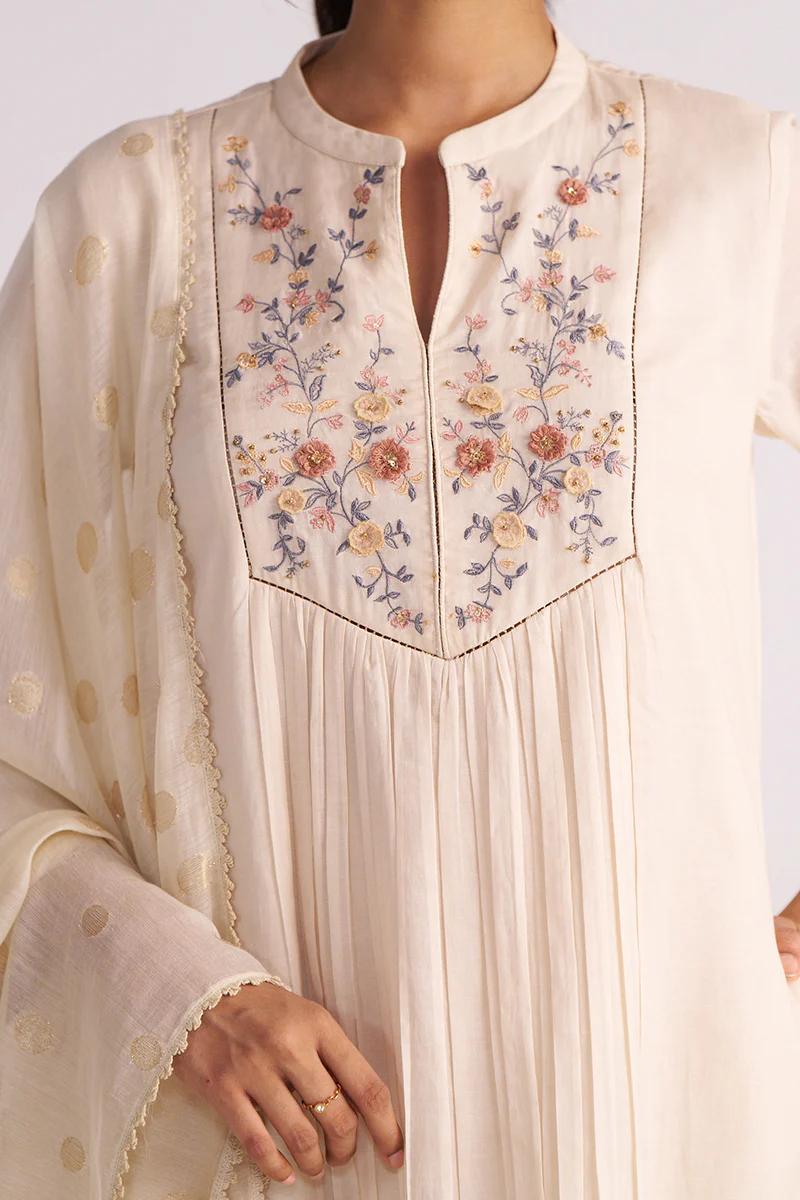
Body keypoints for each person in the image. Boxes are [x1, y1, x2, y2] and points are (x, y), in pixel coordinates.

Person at [2, 0, 800, 1196]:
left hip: (658, 1134)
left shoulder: (736, 179)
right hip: (286, 1155)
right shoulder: (129, 219)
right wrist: (176, 991)